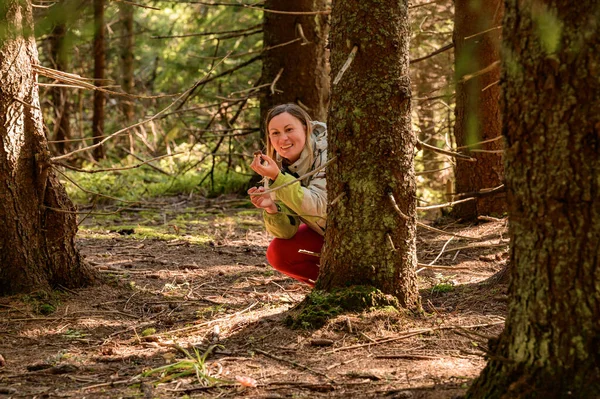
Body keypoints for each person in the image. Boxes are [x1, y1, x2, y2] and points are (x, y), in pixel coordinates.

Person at [248, 103, 327, 287]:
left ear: (306, 129)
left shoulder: (326, 150)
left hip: (355, 232)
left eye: (289, 129)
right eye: (275, 133)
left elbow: (320, 208)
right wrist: (271, 208)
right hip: (326, 233)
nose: (283, 138)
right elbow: (286, 232)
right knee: (279, 253)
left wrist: (278, 178)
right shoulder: (277, 166)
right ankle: (330, 289)